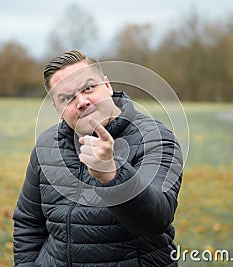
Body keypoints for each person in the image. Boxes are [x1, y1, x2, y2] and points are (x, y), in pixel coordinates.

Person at [13, 50, 183, 267]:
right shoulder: (47, 145)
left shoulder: (155, 139)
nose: (82, 101)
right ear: (57, 109)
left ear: (108, 86)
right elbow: (28, 223)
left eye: (88, 88)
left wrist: (113, 176)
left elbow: (156, 220)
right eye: (67, 98)